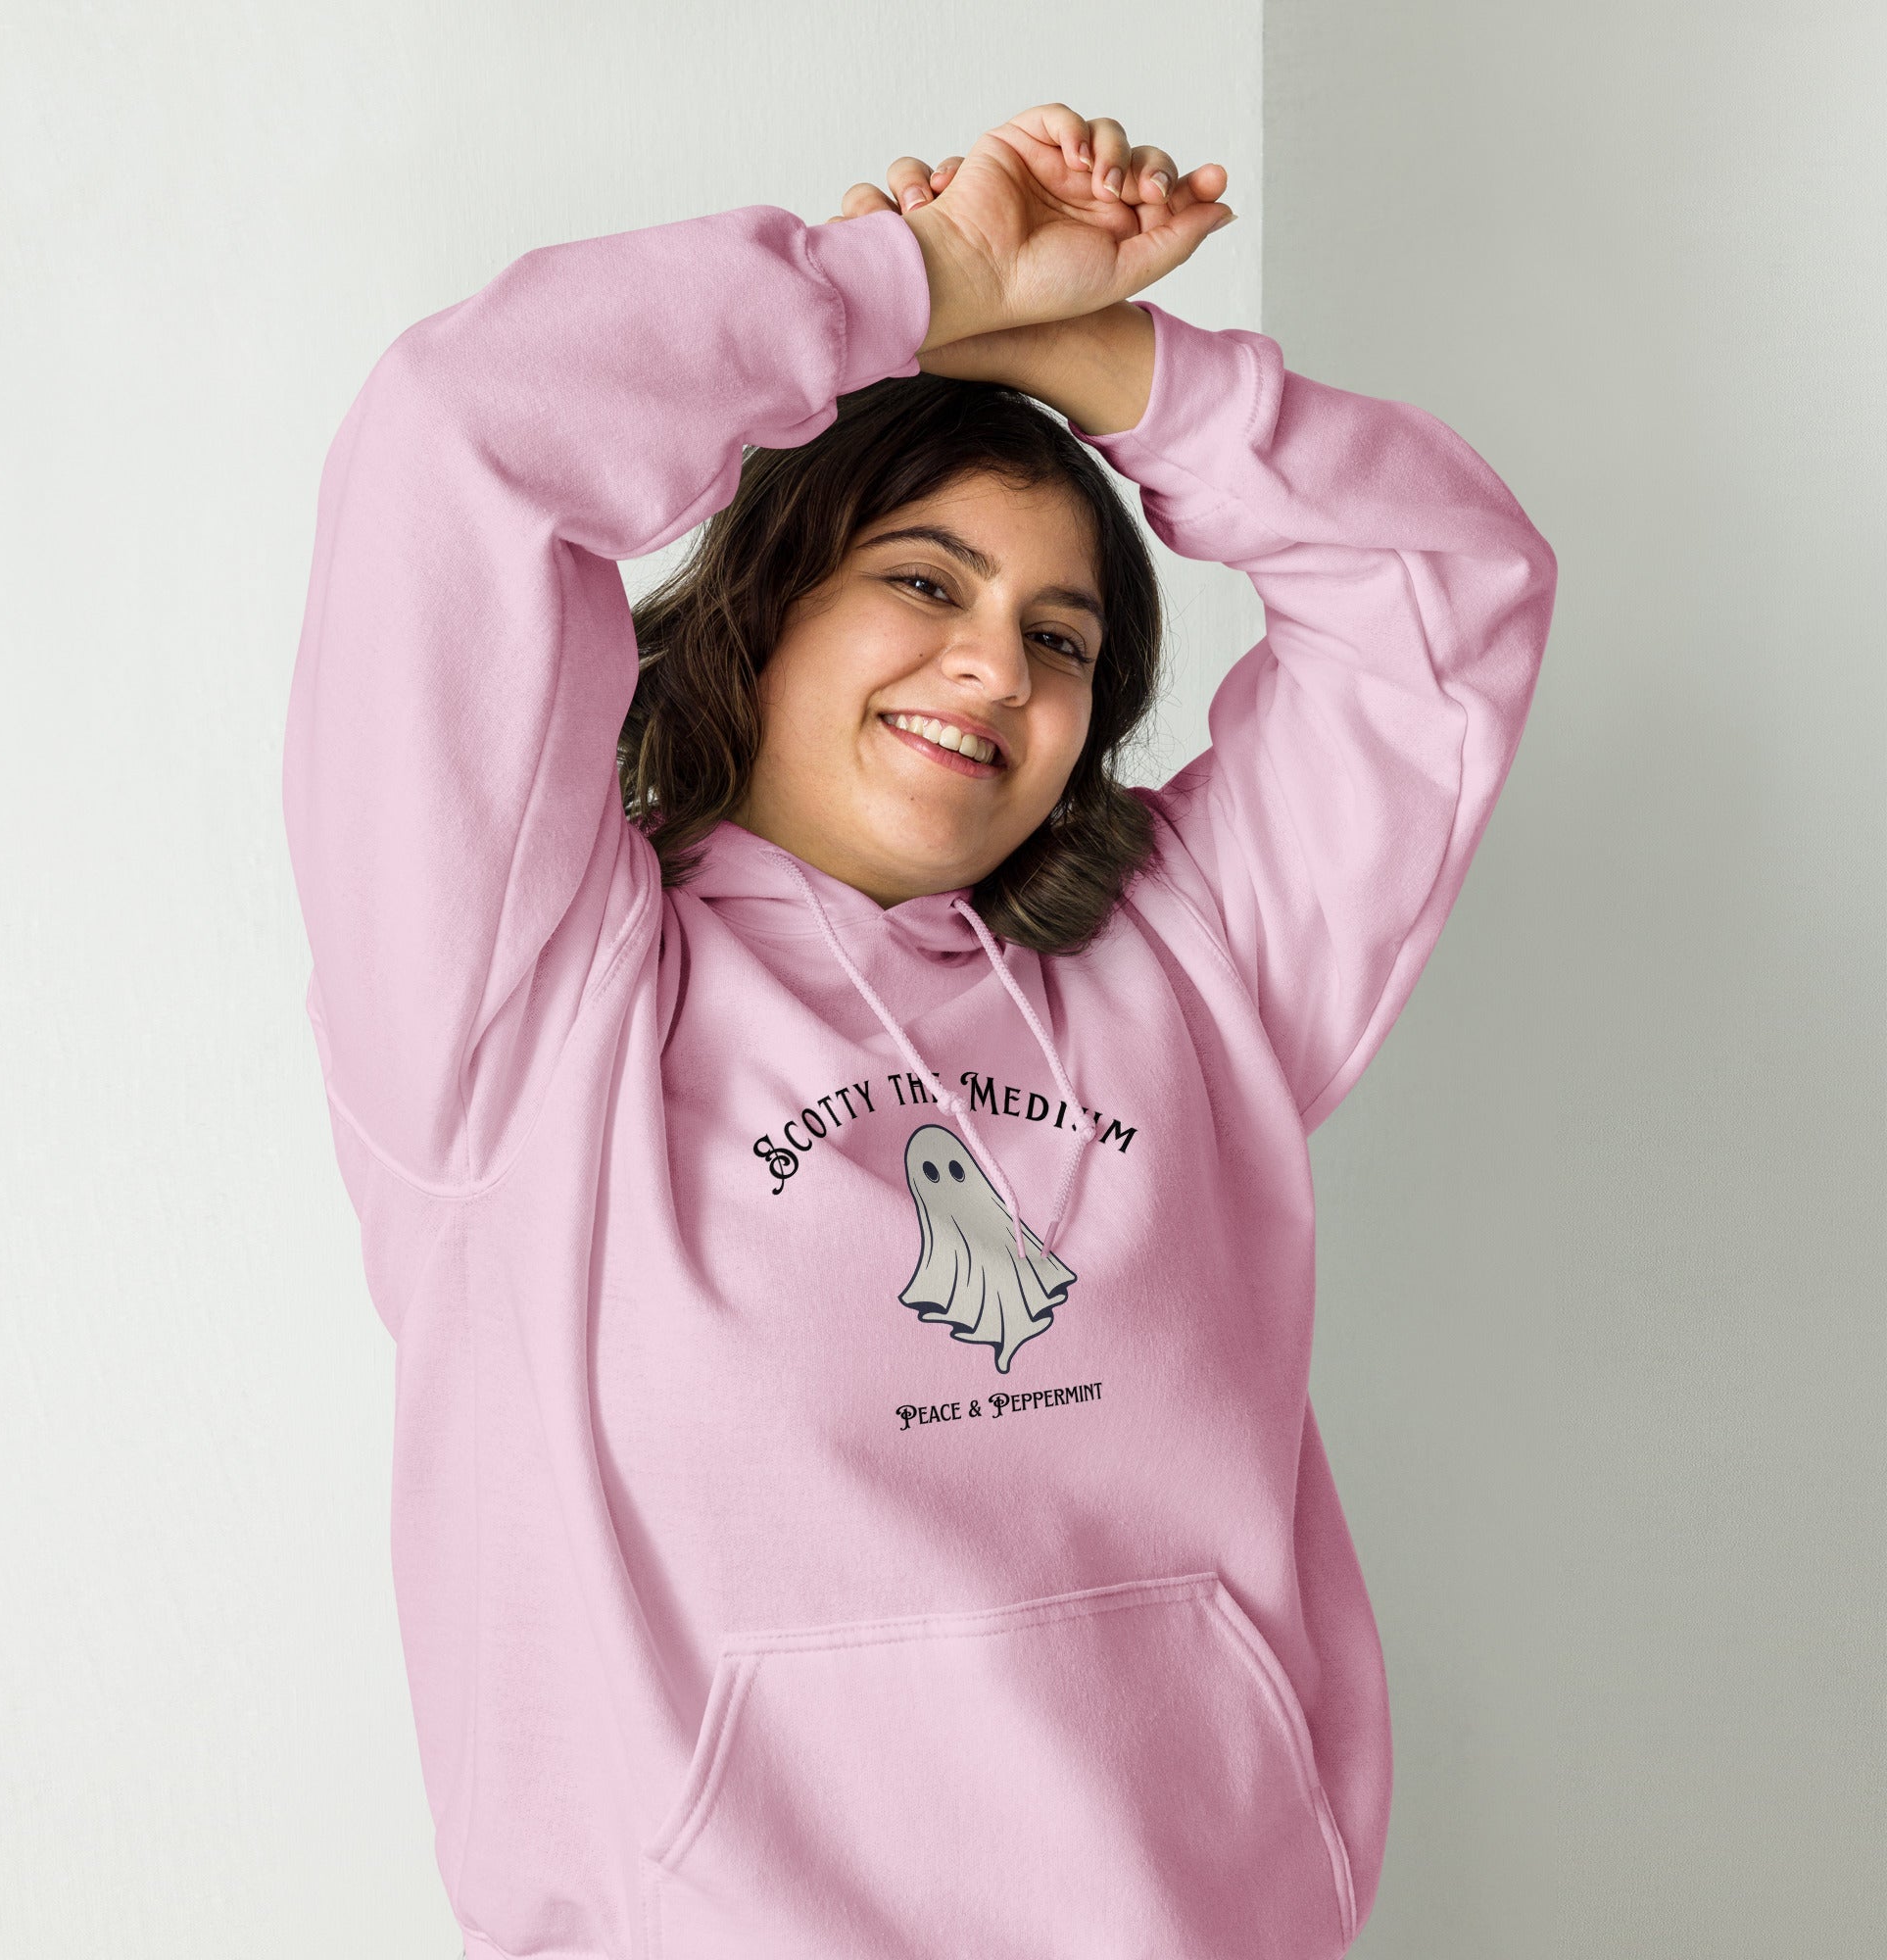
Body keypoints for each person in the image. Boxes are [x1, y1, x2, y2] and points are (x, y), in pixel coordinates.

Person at [282, 101, 1556, 1960]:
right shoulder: (527, 1012)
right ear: (769, 608)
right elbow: (461, 437)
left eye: (1063, 637)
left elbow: (1444, 586)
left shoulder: (1192, 969)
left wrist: (1097, 361)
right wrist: (913, 286)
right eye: (924, 580)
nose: (995, 665)